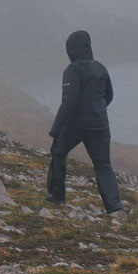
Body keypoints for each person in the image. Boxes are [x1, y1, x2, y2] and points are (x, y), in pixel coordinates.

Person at [45, 30, 125, 222]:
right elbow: (109, 96)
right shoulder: (100, 68)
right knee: (103, 164)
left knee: (58, 151)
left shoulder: (72, 70)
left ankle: (56, 195)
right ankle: (114, 208)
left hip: (75, 124)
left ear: (71, 50)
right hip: (99, 125)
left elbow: (69, 102)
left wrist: (55, 129)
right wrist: (97, 110)